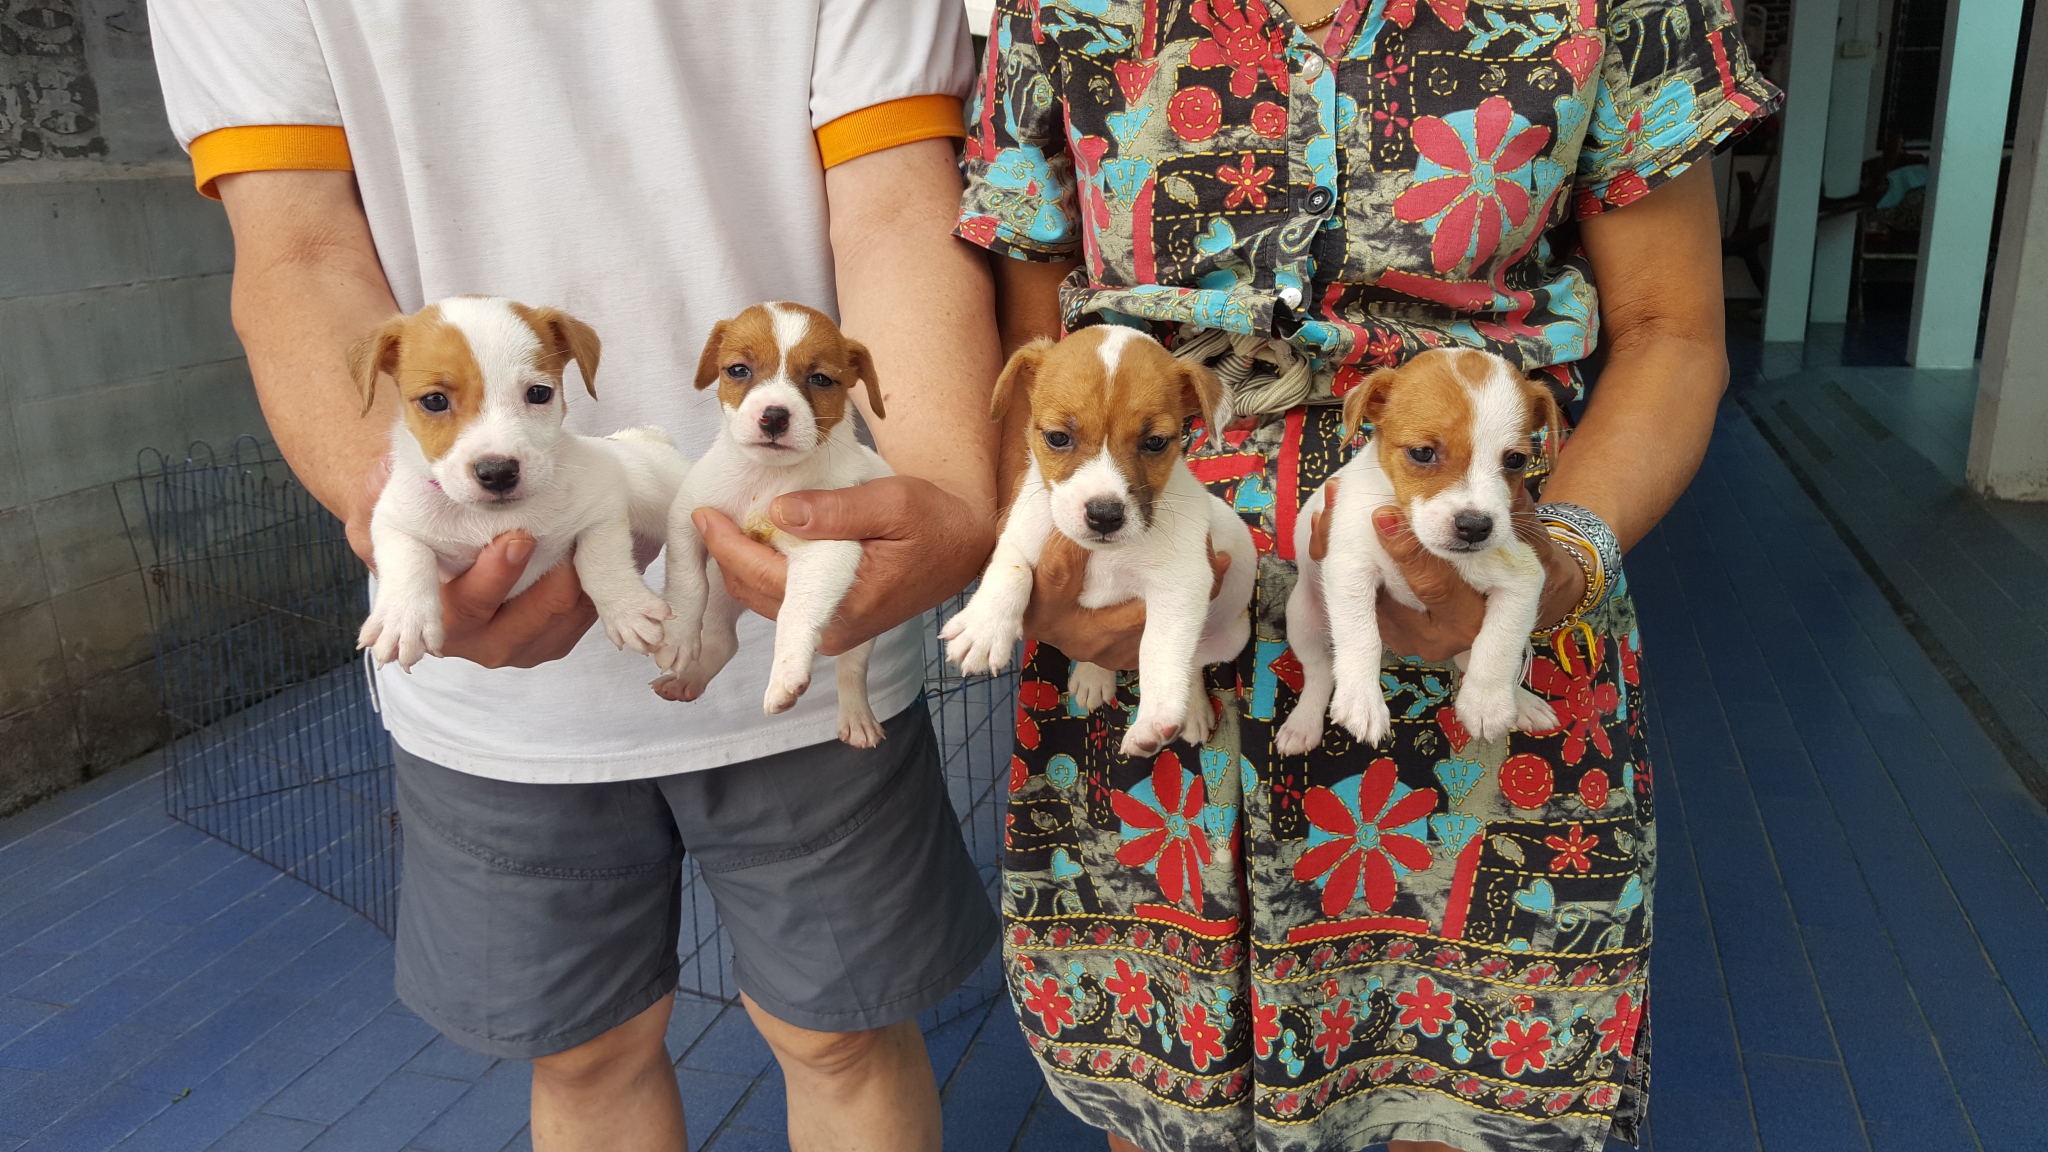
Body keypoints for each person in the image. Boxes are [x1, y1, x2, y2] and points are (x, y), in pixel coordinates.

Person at [148, 3, 1004, 1149]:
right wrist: (409, 520)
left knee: (842, 1036)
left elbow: (901, 206)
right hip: (489, 686)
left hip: (812, 618)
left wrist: (944, 491)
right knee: (585, 1054)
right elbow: (296, 249)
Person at [958, 0, 1776, 1149]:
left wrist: (1563, 562)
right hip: (1143, 628)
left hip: (1491, 610)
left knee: (1466, 1102)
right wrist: (1047, 579)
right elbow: (1028, 330)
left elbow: (1668, 328)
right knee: (1173, 1108)